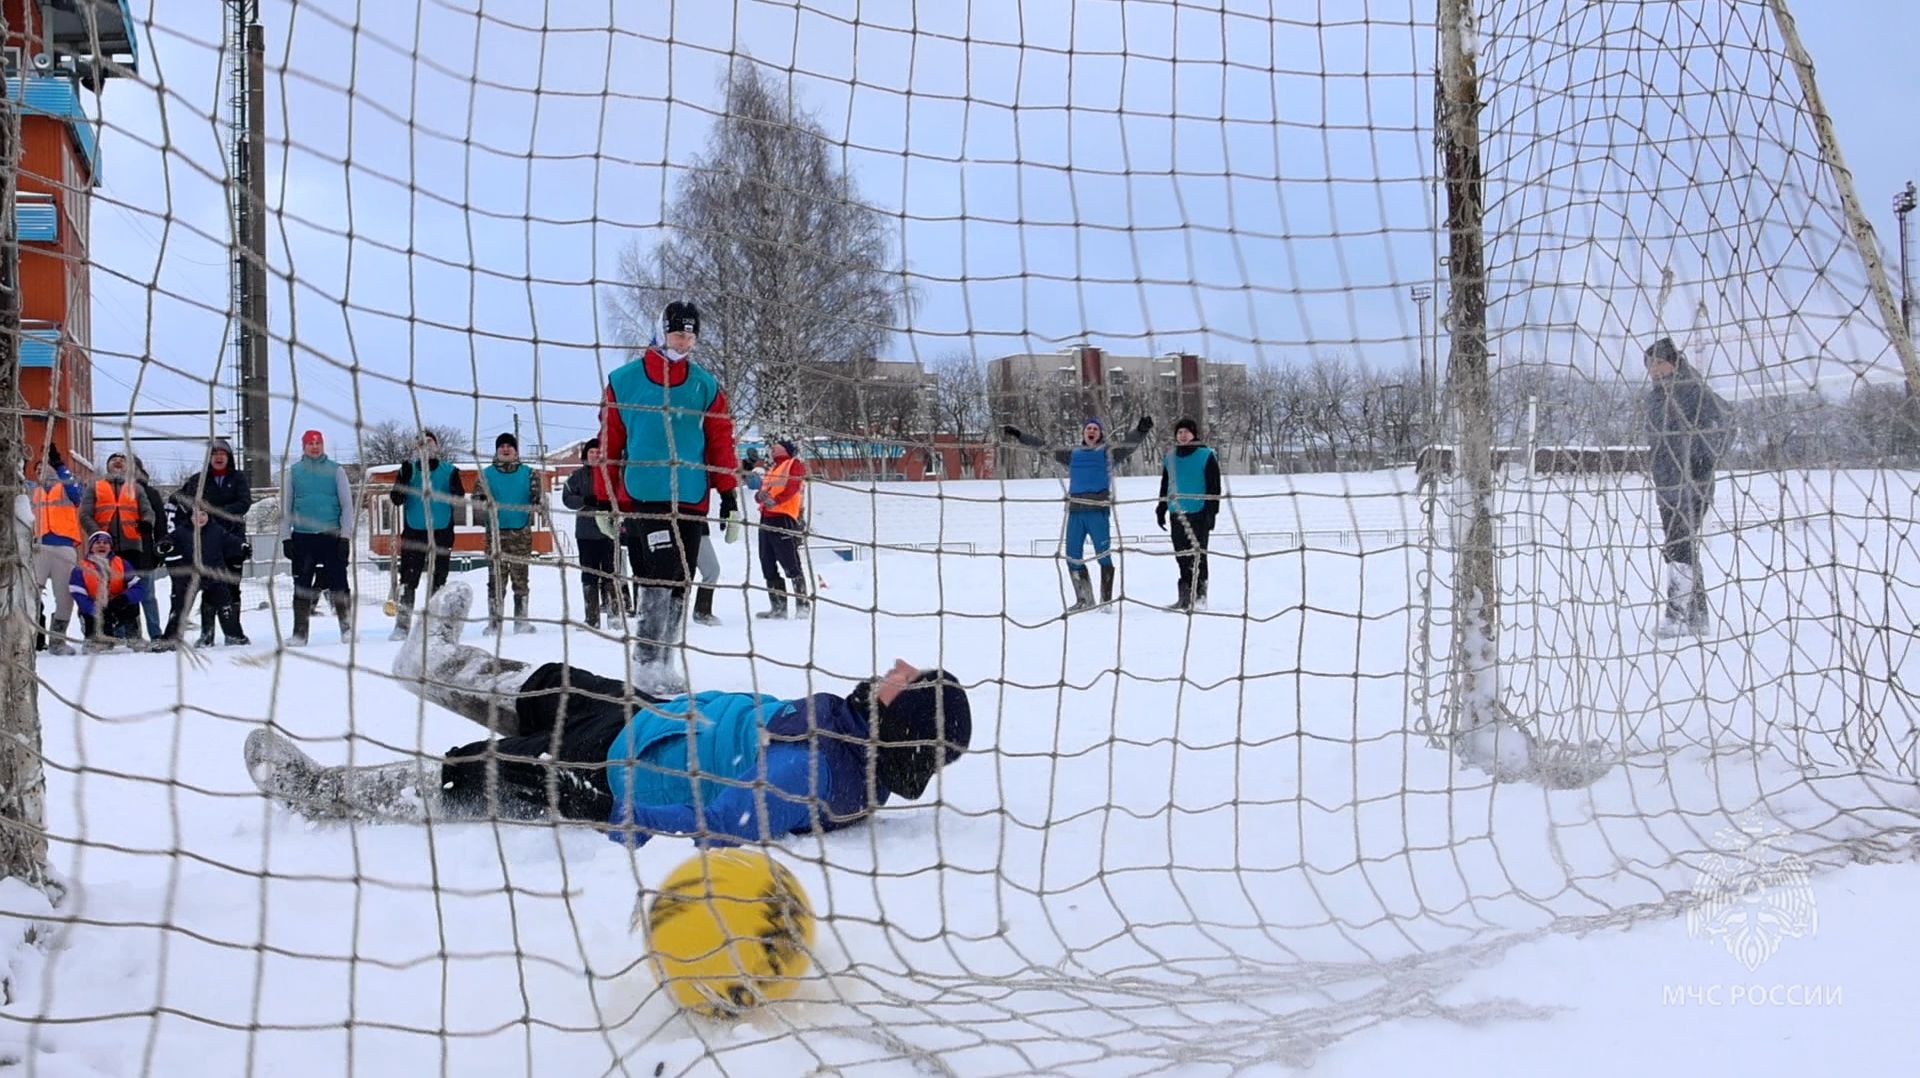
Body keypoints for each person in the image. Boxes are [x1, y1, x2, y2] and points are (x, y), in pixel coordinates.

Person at [249, 581, 973, 846]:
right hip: (656, 720)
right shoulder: (847, 739)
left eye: (905, 683)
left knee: (476, 772)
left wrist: (628, 818)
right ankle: (429, 663)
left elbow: (728, 819)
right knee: (550, 684)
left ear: (900, 725)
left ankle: (326, 794)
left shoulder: (820, 772)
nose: (894, 670)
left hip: (618, 774)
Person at [593, 300, 741, 694]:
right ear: (661, 332)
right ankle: (646, 666)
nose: (685, 340)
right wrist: (604, 498)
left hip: (690, 499)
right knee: (657, 575)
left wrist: (729, 496)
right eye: (678, 333)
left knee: (680, 579)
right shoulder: (624, 381)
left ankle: (664, 663)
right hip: (646, 497)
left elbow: (720, 443)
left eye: (691, 334)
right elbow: (610, 443)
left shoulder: (704, 385)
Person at [1001, 415, 1154, 613]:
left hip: (1097, 512)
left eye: (1095, 429)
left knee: (1103, 556)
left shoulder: (1108, 453)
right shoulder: (1072, 453)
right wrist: (1019, 435)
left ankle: (1105, 601)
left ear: (1100, 434)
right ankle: (1084, 599)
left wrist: (1141, 430)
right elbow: (1043, 446)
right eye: (1088, 428)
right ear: (1083, 433)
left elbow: (1129, 445)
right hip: (1075, 512)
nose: (1091, 431)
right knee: (1072, 556)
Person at [1644, 337, 1731, 637]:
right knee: (1679, 546)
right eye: (1649, 365)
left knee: (1678, 545)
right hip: (1666, 485)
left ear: (1674, 361)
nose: (1654, 369)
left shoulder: (1695, 391)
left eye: (1659, 361)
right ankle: (1698, 616)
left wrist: (1700, 458)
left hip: (1694, 482)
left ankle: (1677, 615)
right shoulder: (1654, 399)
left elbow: (1724, 425)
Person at [172, 438, 255, 642]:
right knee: (209, 584)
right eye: (214, 454)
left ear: (228, 457)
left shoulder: (238, 478)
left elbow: (244, 502)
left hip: (233, 537)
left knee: (233, 585)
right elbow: (179, 499)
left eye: (222, 454)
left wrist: (218, 513)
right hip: (207, 541)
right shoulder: (198, 480)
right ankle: (207, 633)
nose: (218, 457)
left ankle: (233, 632)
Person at [279, 429, 357, 646]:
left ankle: (347, 628)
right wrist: (286, 537)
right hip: (303, 538)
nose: (314, 446)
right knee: (302, 584)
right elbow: (286, 507)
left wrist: (345, 536)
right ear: (303, 446)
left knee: (339, 582)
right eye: (310, 443)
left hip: (331, 536)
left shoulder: (336, 471)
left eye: (318, 443)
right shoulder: (293, 473)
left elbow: (347, 506)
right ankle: (299, 633)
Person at [386, 430, 466, 640]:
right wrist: (402, 481)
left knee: (438, 578)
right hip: (414, 531)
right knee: (408, 578)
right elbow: (396, 499)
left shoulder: (449, 471)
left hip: (441, 530)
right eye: (421, 443)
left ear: (436, 446)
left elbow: (459, 498)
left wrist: (453, 489)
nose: (426, 446)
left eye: (429, 442)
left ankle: (433, 624)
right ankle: (402, 625)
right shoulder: (408, 470)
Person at [472, 432, 545, 635]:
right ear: (496, 451)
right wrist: (485, 503)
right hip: (495, 535)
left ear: (515, 451)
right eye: (501, 446)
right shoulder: (485, 474)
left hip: (520, 532)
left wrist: (538, 502)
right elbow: (476, 500)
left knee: (521, 578)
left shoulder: (529, 473)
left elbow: (538, 499)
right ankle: (494, 623)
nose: (505, 449)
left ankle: (521, 621)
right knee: (496, 579)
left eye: (509, 446)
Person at [1155, 417, 1223, 612]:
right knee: (1181, 556)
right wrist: (1161, 508)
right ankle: (1184, 598)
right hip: (1177, 513)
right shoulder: (1170, 457)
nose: (1182, 435)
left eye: (1186, 431)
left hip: (1199, 512)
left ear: (1194, 434)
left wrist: (1212, 513)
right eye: (1179, 432)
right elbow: (1165, 484)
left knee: (1198, 556)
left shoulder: (1206, 455)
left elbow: (1214, 486)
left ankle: (1200, 597)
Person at [158, 505, 250, 647]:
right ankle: (171, 639)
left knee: (225, 605)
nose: (199, 518)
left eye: (203, 515)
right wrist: (164, 546)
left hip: (214, 574)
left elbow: (231, 542)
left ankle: (234, 636)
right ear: (190, 517)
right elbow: (166, 543)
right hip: (188, 577)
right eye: (195, 515)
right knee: (180, 608)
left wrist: (242, 547)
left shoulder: (216, 531)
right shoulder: (182, 532)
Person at [561, 437, 623, 629]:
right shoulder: (576, 477)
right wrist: (584, 500)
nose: (595, 455)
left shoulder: (613, 474)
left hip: (609, 534)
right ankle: (592, 618)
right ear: (585, 455)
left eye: (598, 452)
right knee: (589, 575)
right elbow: (567, 498)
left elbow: (622, 495)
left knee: (611, 574)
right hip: (586, 533)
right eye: (591, 452)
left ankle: (614, 616)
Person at [29, 446, 83, 654]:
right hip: (38, 548)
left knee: (65, 597)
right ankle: (28, 638)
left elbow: (77, 495)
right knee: (31, 595)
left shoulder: (66, 487)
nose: (41, 470)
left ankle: (58, 640)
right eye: (37, 467)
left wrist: (60, 465)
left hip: (64, 547)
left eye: (45, 465)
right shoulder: (31, 490)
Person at [752, 439, 811, 620]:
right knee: (767, 562)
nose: (773, 448)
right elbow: (762, 492)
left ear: (786, 449)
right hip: (766, 518)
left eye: (777, 446)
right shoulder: (772, 469)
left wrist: (776, 501)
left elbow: (792, 487)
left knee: (790, 562)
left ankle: (802, 605)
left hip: (783, 518)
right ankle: (778, 607)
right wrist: (759, 496)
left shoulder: (794, 465)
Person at [68, 530, 148, 648]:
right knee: (101, 636)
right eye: (98, 543)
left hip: (117, 604)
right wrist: (95, 609)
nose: (102, 545)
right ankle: (93, 638)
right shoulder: (81, 567)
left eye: (106, 543)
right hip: (93, 608)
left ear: (110, 547)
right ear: (91, 547)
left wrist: (124, 598)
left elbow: (138, 587)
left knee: (133, 606)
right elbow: (78, 594)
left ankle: (134, 637)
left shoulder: (122, 563)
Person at [77, 451, 152, 561]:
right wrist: (98, 534)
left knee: (130, 578)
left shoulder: (136, 488)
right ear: (107, 466)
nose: (118, 462)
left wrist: (146, 523)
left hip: (132, 546)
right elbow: (85, 515)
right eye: (114, 460)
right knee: (104, 577)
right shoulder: (95, 487)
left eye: (122, 461)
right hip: (102, 546)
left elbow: (147, 512)